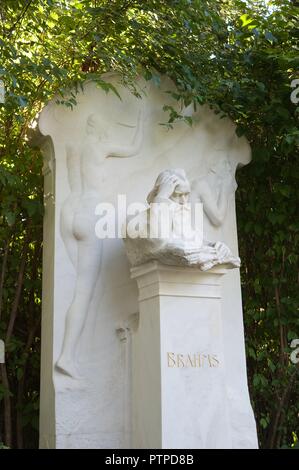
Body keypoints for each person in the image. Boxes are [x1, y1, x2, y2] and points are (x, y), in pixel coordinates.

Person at [56, 109, 143, 379]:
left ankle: (68, 353)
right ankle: (67, 356)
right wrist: (142, 119)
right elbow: (134, 146)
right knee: (84, 292)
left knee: (79, 289)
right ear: (100, 128)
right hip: (92, 215)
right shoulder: (99, 146)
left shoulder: (73, 146)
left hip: (70, 213)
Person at [123, 168, 240, 271]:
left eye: (186, 194)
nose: (184, 201)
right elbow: (158, 240)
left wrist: (214, 246)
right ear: (161, 193)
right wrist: (161, 197)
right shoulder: (135, 222)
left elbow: (190, 239)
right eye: (178, 195)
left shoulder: (180, 217)